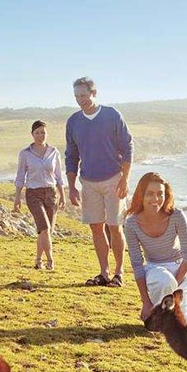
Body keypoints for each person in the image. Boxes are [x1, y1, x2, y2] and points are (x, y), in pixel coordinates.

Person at [65, 76, 133, 287]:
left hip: (113, 178)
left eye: (83, 95)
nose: (80, 100)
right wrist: (72, 186)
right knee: (96, 228)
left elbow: (128, 147)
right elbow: (71, 155)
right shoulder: (73, 121)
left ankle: (119, 273)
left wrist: (125, 179)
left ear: (94, 93)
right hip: (88, 182)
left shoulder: (112, 115)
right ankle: (103, 273)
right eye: (77, 96)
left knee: (115, 226)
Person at [124, 172, 187, 323]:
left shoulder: (176, 215)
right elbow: (137, 265)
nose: (156, 199)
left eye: (160, 194)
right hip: (155, 270)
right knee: (164, 281)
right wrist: (146, 303)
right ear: (141, 196)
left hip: (182, 270)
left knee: (186, 322)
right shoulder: (131, 223)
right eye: (150, 194)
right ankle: (184, 302)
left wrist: (177, 284)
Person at [13, 120, 66, 270]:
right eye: (37, 132)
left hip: (51, 193)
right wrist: (17, 198)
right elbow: (20, 176)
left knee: (46, 231)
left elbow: (58, 176)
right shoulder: (25, 154)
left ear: (47, 133)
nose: (40, 135)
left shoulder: (54, 152)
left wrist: (62, 195)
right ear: (32, 134)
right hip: (33, 194)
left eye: (43, 132)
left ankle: (38, 260)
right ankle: (50, 261)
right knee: (44, 228)